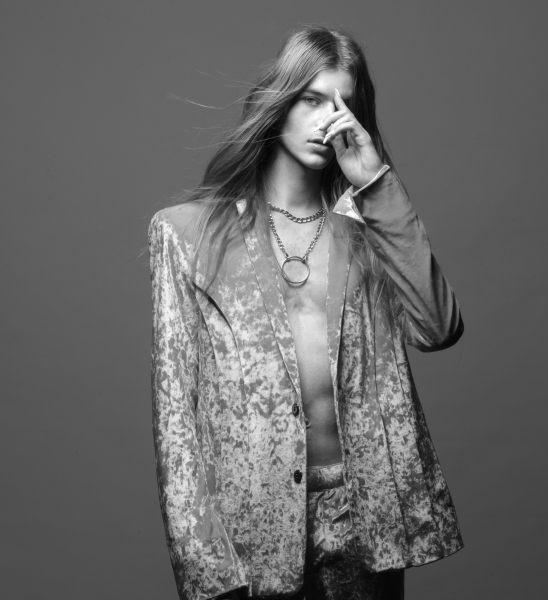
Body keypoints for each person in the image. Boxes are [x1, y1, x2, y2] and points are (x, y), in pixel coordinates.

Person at [149, 25, 464, 600]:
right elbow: (176, 418)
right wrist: (202, 562)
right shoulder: (188, 234)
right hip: (250, 527)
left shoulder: (371, 227)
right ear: (279, 102)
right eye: (313, 99)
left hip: (367, 520)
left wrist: (374, 184)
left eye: (344, 105)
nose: (328, 120)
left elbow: (438, 328)